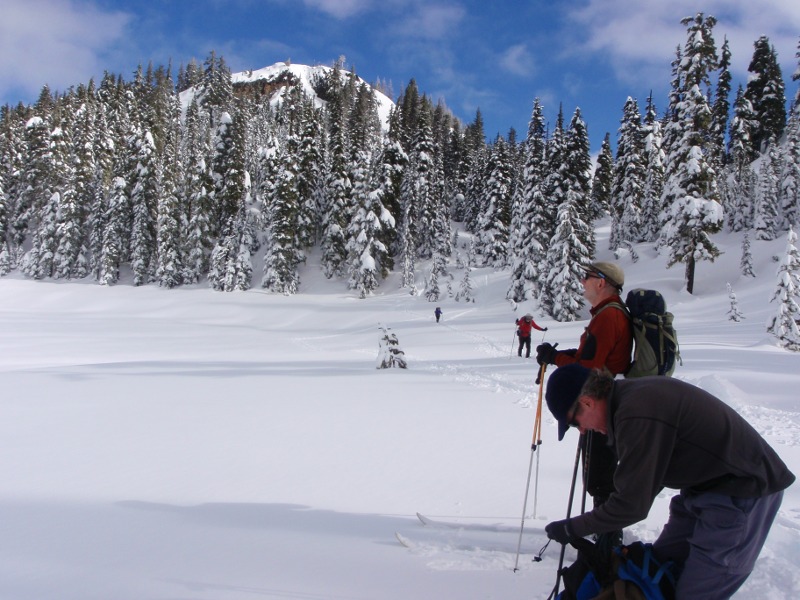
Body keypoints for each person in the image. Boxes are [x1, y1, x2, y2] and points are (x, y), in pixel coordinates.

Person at [543, 364, 795, 599]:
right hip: (703, 490)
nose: (583, 431)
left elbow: (631, 505)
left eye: (575, 423)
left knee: (693, 593)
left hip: (743, 492)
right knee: (658, 571)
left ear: (586, 402)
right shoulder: (628, 402)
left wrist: (571, 528)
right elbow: (641, 481)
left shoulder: (636, 413)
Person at [536, 261, 633, 527]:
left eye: (586, 277)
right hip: (600, 401)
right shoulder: (607, 314)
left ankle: (606, 543)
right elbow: (589, 357)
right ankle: (604, 536)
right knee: (599, 479)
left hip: (598, 407)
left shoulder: (609, 317)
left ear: (601, 282)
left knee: (599, 481)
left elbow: (589, 370)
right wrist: (559, 356)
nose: (582, 281)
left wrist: (556, 358)